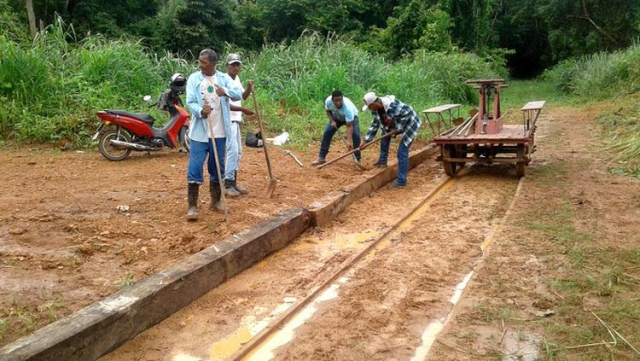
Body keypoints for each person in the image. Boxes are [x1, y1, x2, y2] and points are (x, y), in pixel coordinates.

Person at [185, 49, 242, 221]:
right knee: (195, 167)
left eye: (204, 62)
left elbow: (238, 94)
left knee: (217, 168)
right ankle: (192, 206)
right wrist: (200, 111)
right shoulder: (194, 78)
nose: (200, 65)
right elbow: (190, 101)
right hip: (200, 133)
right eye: (200, 61)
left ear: (213, 63)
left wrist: (225, 91)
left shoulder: (224, 79)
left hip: (219, 132)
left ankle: (216, 201)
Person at [360, 92, 422, 188]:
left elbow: (407, 112)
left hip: (410, 123)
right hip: (393, 124)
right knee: (385, 135)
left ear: (374, 104)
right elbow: (375, 124)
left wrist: (397, 128)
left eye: (369, 106)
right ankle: (382, 161)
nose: (369, 109)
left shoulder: (393, 106)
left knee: (402, 151)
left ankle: (401, 181)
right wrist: (366, 141)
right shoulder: (375, 110)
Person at [224, 53, 254, 197]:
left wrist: (249, 88)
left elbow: (243, 96)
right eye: (233, 64)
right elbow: (225, 105)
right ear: (227, 66)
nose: (235, 67)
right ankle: (227, 184)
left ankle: (233, 182)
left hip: (236, 119)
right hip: (228, 119)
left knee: (239, 152)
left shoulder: (237, 80)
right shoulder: (223, 80)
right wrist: (243, 109)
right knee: (232, 151)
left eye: (237, 64)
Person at [311, 90, 361, 166]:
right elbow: (328, 111)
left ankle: (357, 159)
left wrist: (349, 141)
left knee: (356, 136)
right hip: (337, 117)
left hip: (351, 118)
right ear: (332, 100)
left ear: (342, 99)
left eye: (339, 100)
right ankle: (321, 158)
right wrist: (332, 121)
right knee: (327, 133)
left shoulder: (348, 108)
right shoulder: (328, 101)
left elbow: (349, 126)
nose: (338, 102)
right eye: (335, 100)